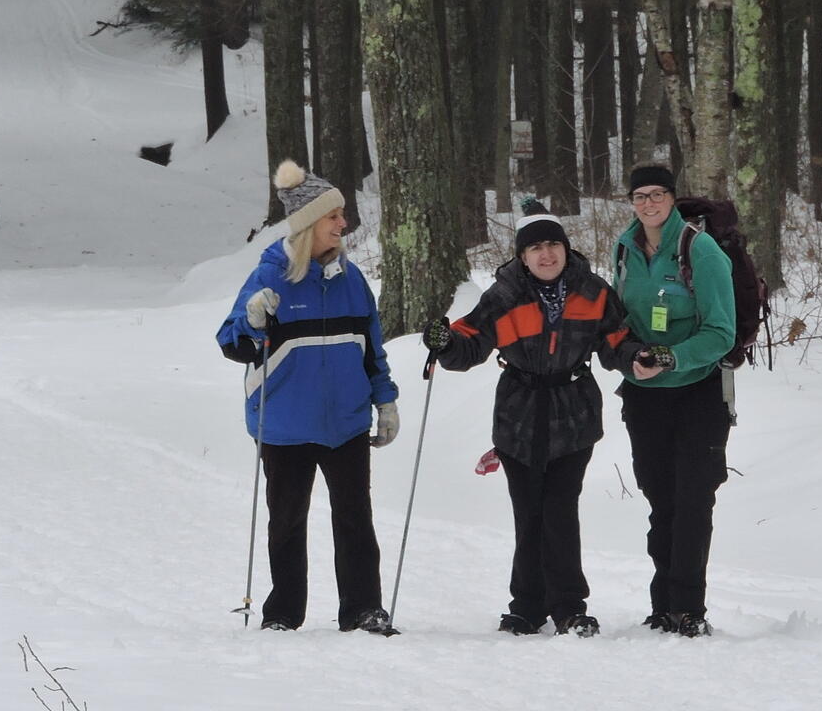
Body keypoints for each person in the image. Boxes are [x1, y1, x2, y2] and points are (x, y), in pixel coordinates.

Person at [422, 198, 643, 637]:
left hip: (573, 413)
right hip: (518, 414)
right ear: (521, 256)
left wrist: (639, 357)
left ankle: (569, 608)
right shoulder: (504, 295)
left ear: (565, 248)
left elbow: (618, 341)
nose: (547, 255)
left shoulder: (593, 291)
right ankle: (525, 607)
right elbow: (469, 342)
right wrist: (444, 342)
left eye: (553, 245)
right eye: (536, 248)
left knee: (559, 510)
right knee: (529, 512)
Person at [216, 159, 400, 635]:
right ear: (308, 226)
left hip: (345, 423)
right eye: (333, 216)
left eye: (341, 215)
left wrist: (385, 400)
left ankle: (363, 610)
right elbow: (231, 343)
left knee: (356, 520)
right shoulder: (270, 278)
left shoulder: (352, 281)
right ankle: (282, 614)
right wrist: (253, 322)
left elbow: (371, 350)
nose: (344, 223)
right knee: (287, 523)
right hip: (284, 426)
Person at [613, 163, 736, 637]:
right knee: (660, 500)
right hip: (644, 397)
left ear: (672, 197)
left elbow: (721, 332)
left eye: (657, 193)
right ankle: (662, 602)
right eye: (639, 195)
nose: (648, 203)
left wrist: (672, 358)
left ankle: (688, 607)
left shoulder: (698, 250)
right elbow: (621, 319)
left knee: (692, 501)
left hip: (698, 393)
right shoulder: (624, 248)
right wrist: (629, 358)